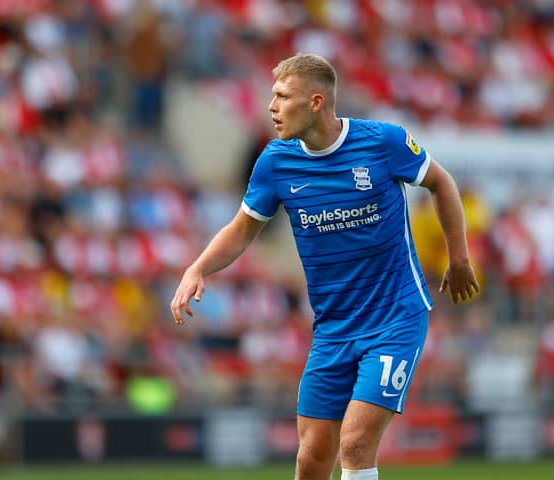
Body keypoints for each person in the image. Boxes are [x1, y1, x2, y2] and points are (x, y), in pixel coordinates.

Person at [170, 53, 479, 480]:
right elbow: (241, 230)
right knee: (312, 456)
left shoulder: (382, 142)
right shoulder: (275, 161)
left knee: (355, 441)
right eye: (271, 97)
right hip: (333, 328)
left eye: (282, 97)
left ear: (316, 102)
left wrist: (457, 257)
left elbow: (440, 182)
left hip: (395, 319)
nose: (272, 108)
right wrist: (198, 268)